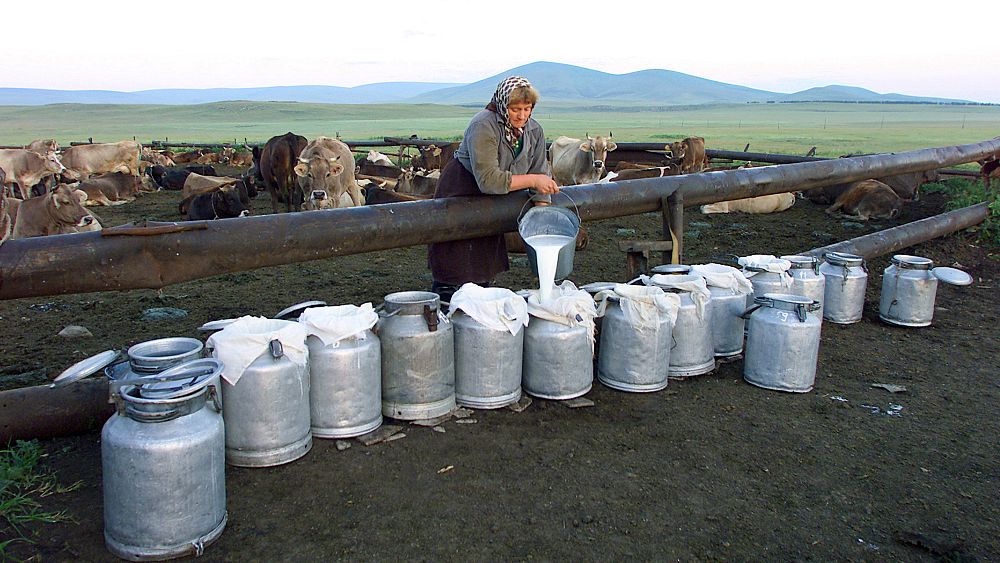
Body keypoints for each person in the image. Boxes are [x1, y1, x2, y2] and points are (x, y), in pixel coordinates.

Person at [428, 76, 559, 304]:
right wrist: (534, 180)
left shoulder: (534, 131)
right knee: (454, 263)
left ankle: (480, 313)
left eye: (527, 109)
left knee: (483, 265)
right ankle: (446, 309)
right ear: (501, 105)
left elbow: (540, 170)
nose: (522, 116)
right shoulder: (484, 125)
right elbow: (488, 180)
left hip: (497, 196)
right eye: (515, 109)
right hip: (463, 189)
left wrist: (542, 215)